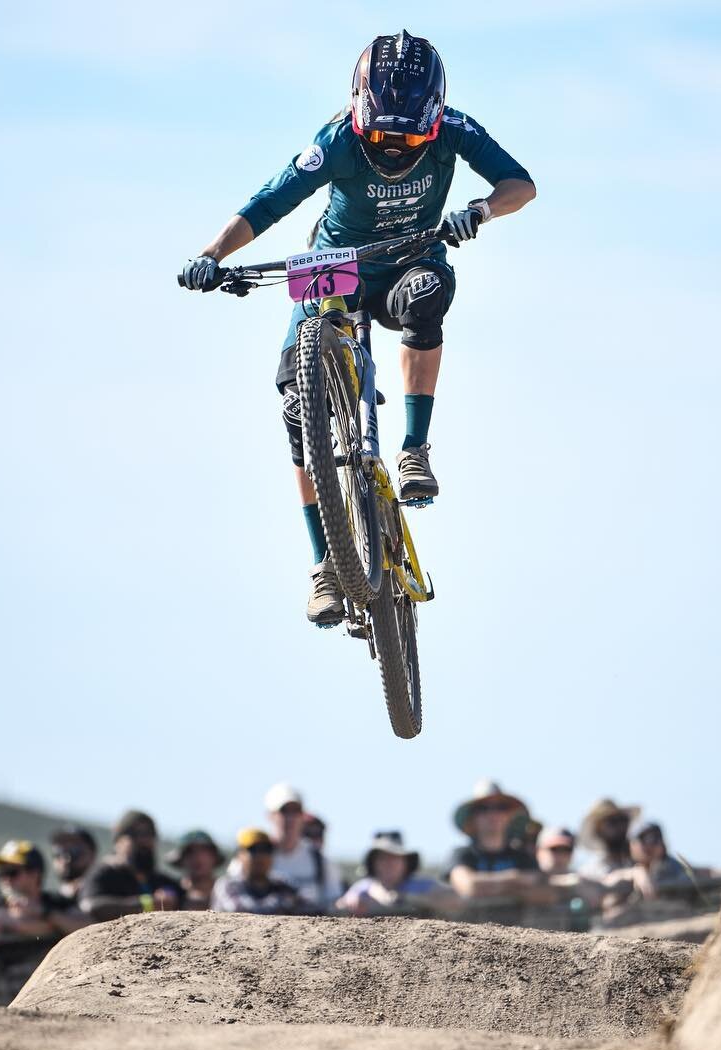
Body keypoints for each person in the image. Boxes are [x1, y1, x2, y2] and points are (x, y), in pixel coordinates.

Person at [181, 29, 537, 625]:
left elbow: (519, 185)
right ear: (357, 112)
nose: (394, 146)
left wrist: (479, 210)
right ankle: (325, 565)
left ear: (435, 117)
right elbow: (271, 200)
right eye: (380, 134)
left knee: (427, 297)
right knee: (298, 407)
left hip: (411, 259)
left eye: (411, 136)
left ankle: (414, 449)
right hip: (336, 268)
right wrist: (213, 255)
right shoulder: (337, 140)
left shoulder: (456, 129)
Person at [445, 780, 554, 903]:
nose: (493, 814)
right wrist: (516, 879)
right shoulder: (462, 855)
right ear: (472, 818)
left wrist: (489, 886)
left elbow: (547, 894)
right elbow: (469, 886)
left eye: (501, 808)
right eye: (483, 808)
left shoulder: (522, 857)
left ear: (510, 816)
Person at [79, 810, 183, 920]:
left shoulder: (163, 881)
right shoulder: (104, 875)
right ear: (118, 842)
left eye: (150, 833)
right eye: (135, 834)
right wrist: (148, 904)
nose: (144, 840)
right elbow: (89, 906)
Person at [260, 783, 342, 910]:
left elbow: (334, 903)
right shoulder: (254, 856)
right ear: (269, 816)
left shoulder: (319, 860)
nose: (290, 818)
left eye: (296, 811)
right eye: (284, 811)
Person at [0, 841, 90, 939]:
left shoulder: (57, 902)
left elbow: (88, 928)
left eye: (12, 872)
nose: (6, 879)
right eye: (1, 873)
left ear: (34, 874)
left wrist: (44, 913)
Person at [337, 831, 448, 916]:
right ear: (373, 863)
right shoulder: (364, 888)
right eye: (382, 858)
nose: (388, 863)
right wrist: (352, 901)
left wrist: (411, 899)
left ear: (406, 862)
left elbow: (455, 900)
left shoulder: (422, 885)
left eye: (394, 858)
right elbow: (339, 906)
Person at [210, 829, 305, 915]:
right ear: (240, 854)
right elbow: (241, 910)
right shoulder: (227, 884)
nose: (261, 856)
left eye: (266, 849)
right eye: (253, 850)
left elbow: (304, 906)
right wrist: (281, 902)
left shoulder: (282, 883)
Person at [577, 799, 640, 882]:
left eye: (623, 820)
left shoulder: (641, 861)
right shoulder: (590, 872)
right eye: (612, 821)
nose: (620, 826)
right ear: (598, 830)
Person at [165, 830, 225, 911]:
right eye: (190, 852)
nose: (197, 857)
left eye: (204, 851)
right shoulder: (173, 891)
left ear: (214, 857)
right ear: (182, 859)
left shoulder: (227, 891)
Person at [49, 825, 98, 902]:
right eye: (59, 852)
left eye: (74, 851)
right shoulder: (45, 902)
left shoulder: (103, 894)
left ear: (92, 855)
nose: (66, 858)